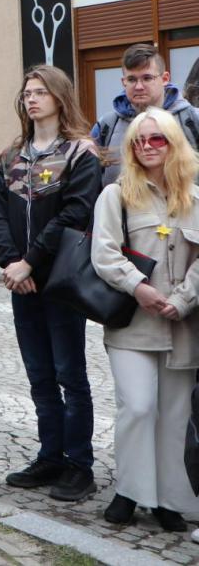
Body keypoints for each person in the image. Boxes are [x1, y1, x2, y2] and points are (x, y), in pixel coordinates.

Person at [0, 66, 101, 502]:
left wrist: (32, 262)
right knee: (39, 376)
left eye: (40, 92)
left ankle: (79, 464)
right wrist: (11, 262)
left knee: (69, 374)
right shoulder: (12, 154)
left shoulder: (79, 153)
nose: (31, 99)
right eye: (26, 93)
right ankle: (50, 454)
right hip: (24, 282)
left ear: (59, 97)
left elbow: (75, 213)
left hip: (60, 280)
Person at [91, 107, 199, 531]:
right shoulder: (116, 195)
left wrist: (185, 299)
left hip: (182, 326)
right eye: (139, 140)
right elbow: (104, 253)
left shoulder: (195, 197)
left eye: (157, 139)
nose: (147, 147)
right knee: (136, 407)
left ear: (173, 144)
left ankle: (169, 498)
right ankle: (131, 491)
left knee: (173, 417)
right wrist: (139, 286)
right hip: (132, 322)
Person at [93, 43, 199, 186]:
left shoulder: (192, 119)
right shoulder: (106, 125)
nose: (139, 86)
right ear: (123, 82)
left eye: (147, 78)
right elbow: (90, 181)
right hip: (121, 207)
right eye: (131, 79)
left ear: (165, 78)